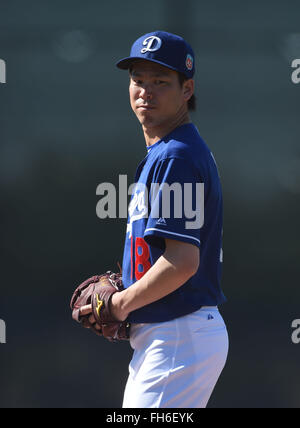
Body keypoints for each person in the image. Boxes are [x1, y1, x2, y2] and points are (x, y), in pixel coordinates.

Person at [84, 30, 229, 408]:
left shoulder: (175, 156)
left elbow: (182, 263)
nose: (146, 90)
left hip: (178, 333)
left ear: (187, 89)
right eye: (138, 79)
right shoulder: (170, 150)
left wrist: (120, 304)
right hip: (175, 335)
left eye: (161, 81)